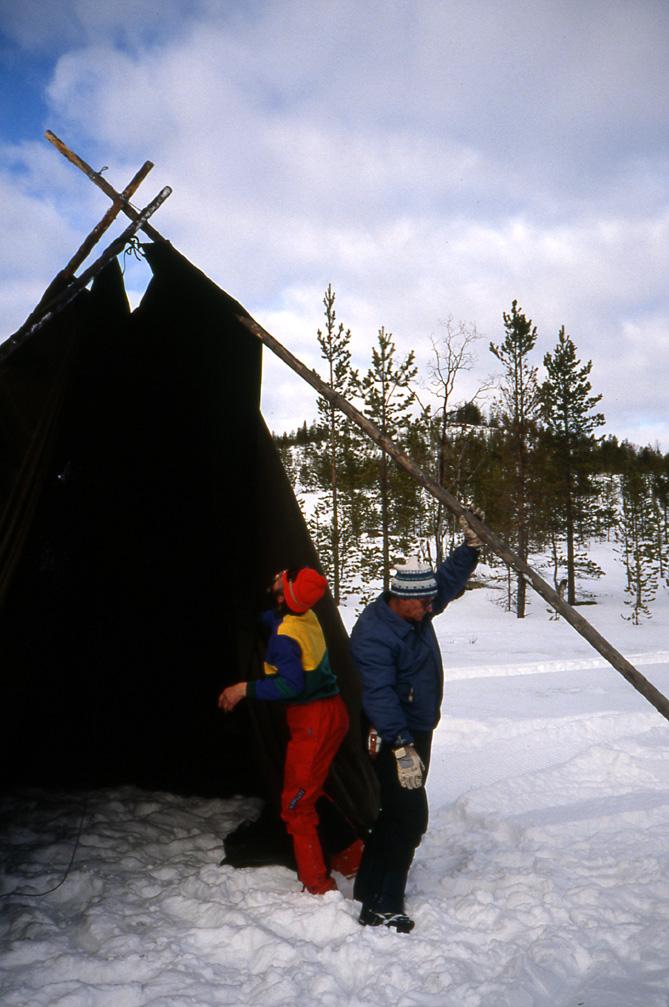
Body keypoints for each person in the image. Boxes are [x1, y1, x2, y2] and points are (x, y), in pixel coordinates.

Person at [350, 513, 483, 933]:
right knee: (409, 817)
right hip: (392, 737)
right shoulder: (374, 634)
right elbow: (377, 695)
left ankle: (369, 885)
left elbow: (444, 582)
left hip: (417, 731)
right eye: (424, 604)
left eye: (431, 603)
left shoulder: (415, 609)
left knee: (396, 814)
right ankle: (382, 904)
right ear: (400, 598)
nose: (432, 608)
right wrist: (402, 747)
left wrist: (471, 549)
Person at [218, 566, 360, 894]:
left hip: (312, 721)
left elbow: (290, 686)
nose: (275, 583)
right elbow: (277, 620)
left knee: (296, 806)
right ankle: (351, 856)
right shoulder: (306, 616)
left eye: (279, 584)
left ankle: (317, 886)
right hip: (333, 713)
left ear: (285, 597)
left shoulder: (284, 639)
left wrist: (243, 689)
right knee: (312, 789)